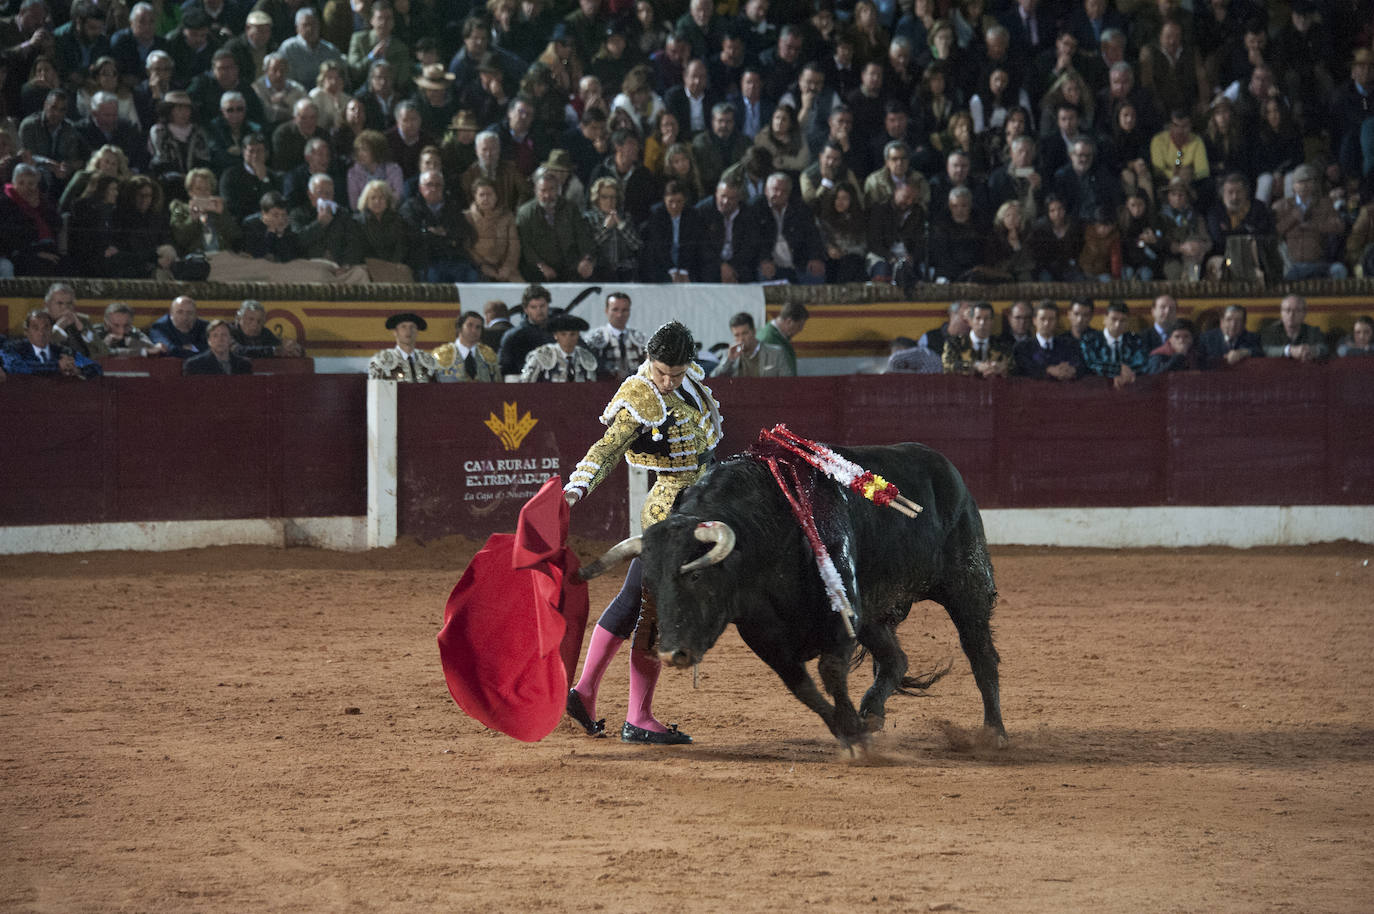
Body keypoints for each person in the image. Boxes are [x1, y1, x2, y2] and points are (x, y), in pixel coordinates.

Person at [564, 320, 723, 745]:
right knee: (653, 609)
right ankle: (638, 716)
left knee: (634, 598)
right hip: (671, 512)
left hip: (696, 503)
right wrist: (574, 490)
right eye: (660, 372)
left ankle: (584, 691)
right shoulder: (640, 395)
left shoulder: (688, 382)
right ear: (648, 362)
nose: (667, 382)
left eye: (675, 373)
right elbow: (607, 448)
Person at [1271, 164, 1349, 281]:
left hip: (1319, 263)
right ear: (1293, 186)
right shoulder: (1281, 206)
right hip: (1291, 265)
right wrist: (1293, 218)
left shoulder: (1325, 204)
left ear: (1315, 184)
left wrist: (1315, 226)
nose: (1304, 186)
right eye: (1300, 182)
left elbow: (1339, 227)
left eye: (1308, 181)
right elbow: (1272, 233)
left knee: (1339, 270)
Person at [516, 170, 596, 282]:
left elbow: (582, 236)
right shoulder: (525, 213)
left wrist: (586, 259)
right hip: (538, 268)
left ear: (559, 190)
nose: (547, 195)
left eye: (552, 190)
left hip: (570, 266)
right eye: (543, 190)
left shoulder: (570, 208)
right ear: (536, 191)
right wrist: (541, 266)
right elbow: (526, 247)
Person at [1, 309, 102, 378]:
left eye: (46, 328)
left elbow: (96, 368)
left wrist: (78, 370)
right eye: (35, 328)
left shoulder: (64, 351)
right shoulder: (12, 348)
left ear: (51, 330)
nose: (41, 332)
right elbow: (16, 368)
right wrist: (57, 366)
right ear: (26, 331)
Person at [1081, 299, 1147, 388]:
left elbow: (1142, 362)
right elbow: (1091, 363)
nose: (1117, 325)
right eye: (1114, 319)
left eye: (1122, 320)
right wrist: (1118, 370)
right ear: (1105, 319)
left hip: (1129, 385)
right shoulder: (1090, 340)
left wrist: (1125, 375)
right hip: (1098, 388)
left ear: (1127, 322)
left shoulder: (1135, 340)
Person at [583, 291, 648, 381]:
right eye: (615, 309)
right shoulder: (594, 339)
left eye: (624, 310)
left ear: (629, 311)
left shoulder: (640, 339)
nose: (619, 315)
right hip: (602, 390)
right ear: (606, 310)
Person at [1013, 299, 1083, 381]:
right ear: (1034, 320)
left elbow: (1081, 366)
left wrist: (1072, 370)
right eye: (1042, 319)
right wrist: (1049, 370)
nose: (1046, 323)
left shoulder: (1069, 344)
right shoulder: (1022, 347)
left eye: (1051, 319)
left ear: (1056, 321)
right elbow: (1025, 369)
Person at [519, 312, 599, 382]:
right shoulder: (541, 355)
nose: (568, 339)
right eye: (563, 334)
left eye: (572, 334)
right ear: (555, 335)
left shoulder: (586, 357)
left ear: (578, 335)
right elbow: (525, 385)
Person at [943, 300, 1011, 378]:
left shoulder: (1002, 344)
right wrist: (976, 366)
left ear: (992, 321)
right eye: (978, 318)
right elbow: (947, 366)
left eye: (986, 319)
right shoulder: (955, 343)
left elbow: (1013, 367)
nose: (982, 323)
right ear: (970, 321)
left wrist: (1000, 368)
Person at [497, 284, 555, 377]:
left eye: (542, 306)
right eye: (534, 307)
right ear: (526, 309)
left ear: (548, 305)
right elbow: (503, 368)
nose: (539, 310)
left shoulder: (561, 331)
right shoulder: (513, 336)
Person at [711, 311, 787, 377]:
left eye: (745, 333)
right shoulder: (731, 354)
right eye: (737, 335)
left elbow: (788, 383)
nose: (741, 339)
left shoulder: (776, 353)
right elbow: (714, 378)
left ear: (754, 331)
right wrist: (730, 360)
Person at [432, 311, 501, 382]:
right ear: (459, 327)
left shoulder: (489, 355)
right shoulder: (440, 355)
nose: (474, 330)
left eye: (478, 327)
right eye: (470, 325)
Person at [369, 312, 438, 381]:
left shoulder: (428, 361)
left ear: (417, 332)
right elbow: (375, 389)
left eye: (412, 327)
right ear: (395, 332)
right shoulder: (381, 360)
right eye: (403, 327)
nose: (408, 331)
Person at [1261, 294, 1329, 362]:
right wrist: (1290, 351)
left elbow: (1325, 348)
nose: (1291, 315)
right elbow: (1267, 350)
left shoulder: (1313, 331)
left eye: (1297, 310)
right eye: (1287, 310)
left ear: (1304, 313)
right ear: (1281, 313)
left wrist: (1313, 351)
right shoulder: (1270, 331)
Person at [230, 299, 304, 359]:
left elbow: (279, 346)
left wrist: (294, 349)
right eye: (250, 319)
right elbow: (238, 351)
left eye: (259, 321)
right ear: (239, 319)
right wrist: (274, 351)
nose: (255, 324)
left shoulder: (265, 333)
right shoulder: (227, 331)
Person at [1197, 303, 1262, 370]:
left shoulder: (1252, 337)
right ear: (1221, 322)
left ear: (1244, 324)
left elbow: (1260, 352)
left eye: (1238, 321)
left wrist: (1243, 352)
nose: (1233, 325)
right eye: (1229, 320)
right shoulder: (1206, 338)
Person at [91, 302, 166, 357]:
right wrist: (104, 345)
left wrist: (129, 341)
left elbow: (154, 350)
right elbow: (95, 354)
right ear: (106, 323)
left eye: (126, 326)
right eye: (116, 325)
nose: (121, 331)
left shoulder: (134, 332)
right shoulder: (94, 332)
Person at [42, 281, 95, 357]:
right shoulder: (38, 321)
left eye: (69, 303)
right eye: (60, 303)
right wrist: (58, 328)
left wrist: (82, 329)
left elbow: (101, 351)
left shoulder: (82, 320)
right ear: (47, 305)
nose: (65, 307)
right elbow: (40, 349)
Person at [184, 319, 254, 375]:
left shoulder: (244, 365)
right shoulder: (194, 365)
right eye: (215, 335)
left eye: (224, 335)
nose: (220, 339)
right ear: (209, 341)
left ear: (230, 339)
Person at [757, 301, 808, 377]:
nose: (800, 330)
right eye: (799, 326)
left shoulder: (778, 336)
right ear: (789, 321)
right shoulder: (768, 339)